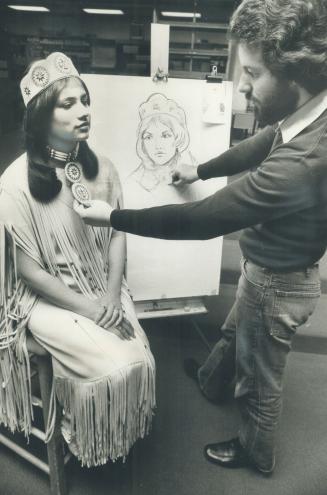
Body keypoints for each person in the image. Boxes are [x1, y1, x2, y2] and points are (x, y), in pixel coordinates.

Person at [74, 0, 327, 474]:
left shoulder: (305, 161)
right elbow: (264, 140)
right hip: (268, 266)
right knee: (234, 335)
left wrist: (115, 217)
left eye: (252, 73)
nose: (241, 87)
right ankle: (213, 383)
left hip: (280, 283)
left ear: (293, 74)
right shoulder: (306, 113)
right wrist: (200, 166)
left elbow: (203, 219)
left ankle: (256, 452)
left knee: (259, 378)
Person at [0, 52, 156, 468]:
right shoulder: (15, 183)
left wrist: (108, 296)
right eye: (67, 104)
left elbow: (117, 233)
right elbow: (28, 271)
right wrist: (90, 309)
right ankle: (78, 429)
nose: (83, 111)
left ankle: (103, 430)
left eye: (84, 100)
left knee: (138, 357)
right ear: (40, 117)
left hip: (102, 287)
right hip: (47, 299)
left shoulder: (102, 167)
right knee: (115, 366)